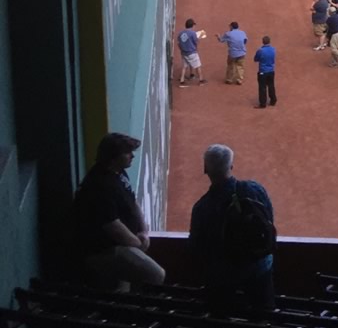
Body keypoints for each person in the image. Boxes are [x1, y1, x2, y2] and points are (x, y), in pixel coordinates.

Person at [188, 144, 275, 318]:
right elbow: (269, 221)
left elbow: (196, 247)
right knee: (263, 311)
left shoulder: (202, 207)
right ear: (231, 167)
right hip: (259, 264)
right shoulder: (255, 189)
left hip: (224, 274)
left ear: (206, 169)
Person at [72, 132, 165, 290]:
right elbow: (113, 226)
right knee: (156, 274)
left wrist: (143, 231)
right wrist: (138, 243)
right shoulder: (99, 186)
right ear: (113, 157)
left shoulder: (119, 172)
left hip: (122, 244)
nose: (132, 156)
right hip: (104, 251)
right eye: (127, 152)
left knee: (122, 291)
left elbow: (133, 203)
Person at [177, 18, 206, 86]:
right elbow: (196, 42)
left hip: (184, 53)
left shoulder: (180, 33)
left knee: (184, 67)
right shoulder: (193, 33)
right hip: (192, 52)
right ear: (192, 25)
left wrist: (181, 50)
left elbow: (178, 43)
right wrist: (200, 36)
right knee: (198, 66)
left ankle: (182, 81)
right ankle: (201, 80)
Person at [253, 35, 277, 108]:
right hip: (271, 71)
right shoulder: (273, 49)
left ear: (263, 42)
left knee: (262, 87)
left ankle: (263, 103)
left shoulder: (260, 50)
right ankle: (273, 100)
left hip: (263, 71)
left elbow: (255, 59)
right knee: (271, 86)